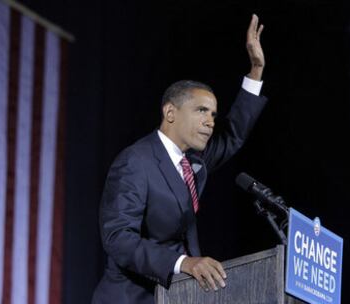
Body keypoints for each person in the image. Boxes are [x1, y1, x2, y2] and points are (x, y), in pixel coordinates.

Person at [92, 14, 267, 304]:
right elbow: (118, 238)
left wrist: (256, 70)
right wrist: (183, 263)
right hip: (131, 297)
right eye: (201, 111)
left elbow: (234, 135)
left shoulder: (195, 161)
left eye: (213, 114)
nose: (211, 121)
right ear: (170, 113)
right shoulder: (135, 162)